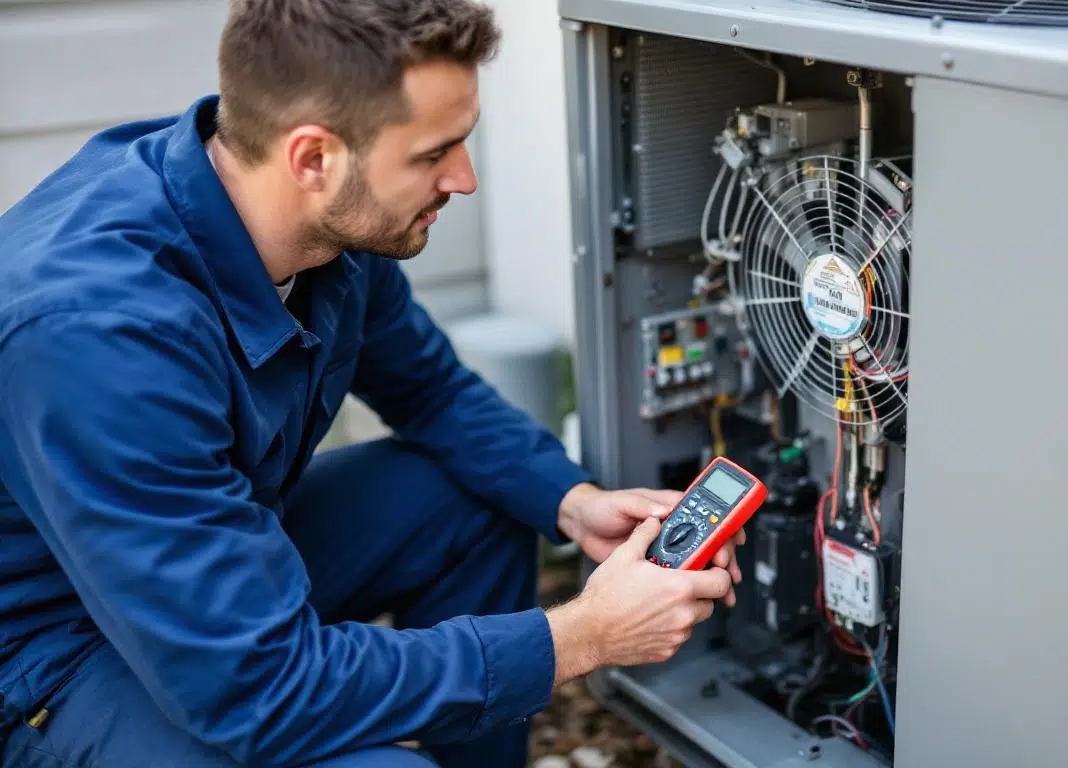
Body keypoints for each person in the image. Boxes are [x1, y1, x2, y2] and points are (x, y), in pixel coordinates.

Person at [0, 1, 744, 766]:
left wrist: (573, 501)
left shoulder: (315, 221)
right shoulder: (101, 337)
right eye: (434, 154)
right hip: (47, 659)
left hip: (198, 573)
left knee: (474, 497)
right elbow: (260, 690)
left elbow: (430, 391)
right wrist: (579, 636)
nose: (466, 178)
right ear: (313, 158)